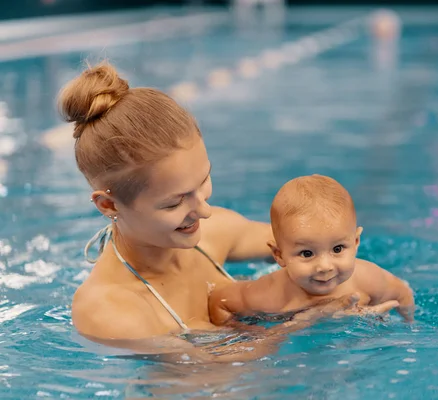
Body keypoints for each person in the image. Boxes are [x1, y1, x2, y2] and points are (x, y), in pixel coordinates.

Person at [62, 62, 399, 362]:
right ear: (109, 205)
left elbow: (320, 245)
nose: (204, 210)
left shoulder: (215, 231)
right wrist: (306, 322)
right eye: (174, 202)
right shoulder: (108, 309)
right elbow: (211, 381)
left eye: (204, 181)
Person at [209, 175, 415, 327]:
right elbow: (219, 301)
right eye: (307, 253)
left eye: (337, 249)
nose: (325, 266)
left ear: (356, 242)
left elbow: (403, 293)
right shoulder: (269, 296)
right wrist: (251, 334)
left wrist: (409, 324)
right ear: (279, 255)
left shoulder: (368, 279)